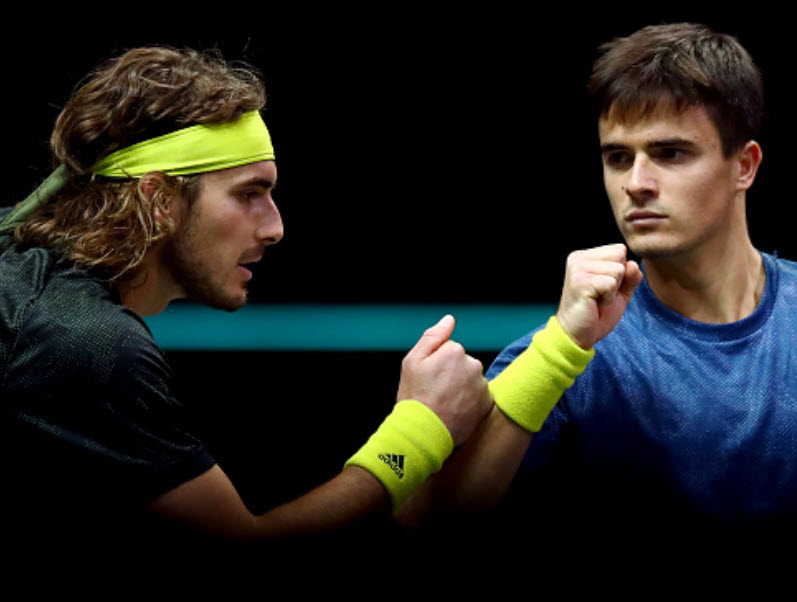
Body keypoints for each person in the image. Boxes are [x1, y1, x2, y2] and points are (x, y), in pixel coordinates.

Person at [0, 46, 610, 567]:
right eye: (249, 194)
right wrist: (421, 427)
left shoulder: (31, 285)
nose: (275, 227)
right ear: (159, 199)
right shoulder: (83, 345)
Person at [486, 22, 797, 551]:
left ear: (743, 166)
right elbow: (436, 522)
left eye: (670, 153)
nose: (636, 184)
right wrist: (559, 351)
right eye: (618, 158)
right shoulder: (564, 356)